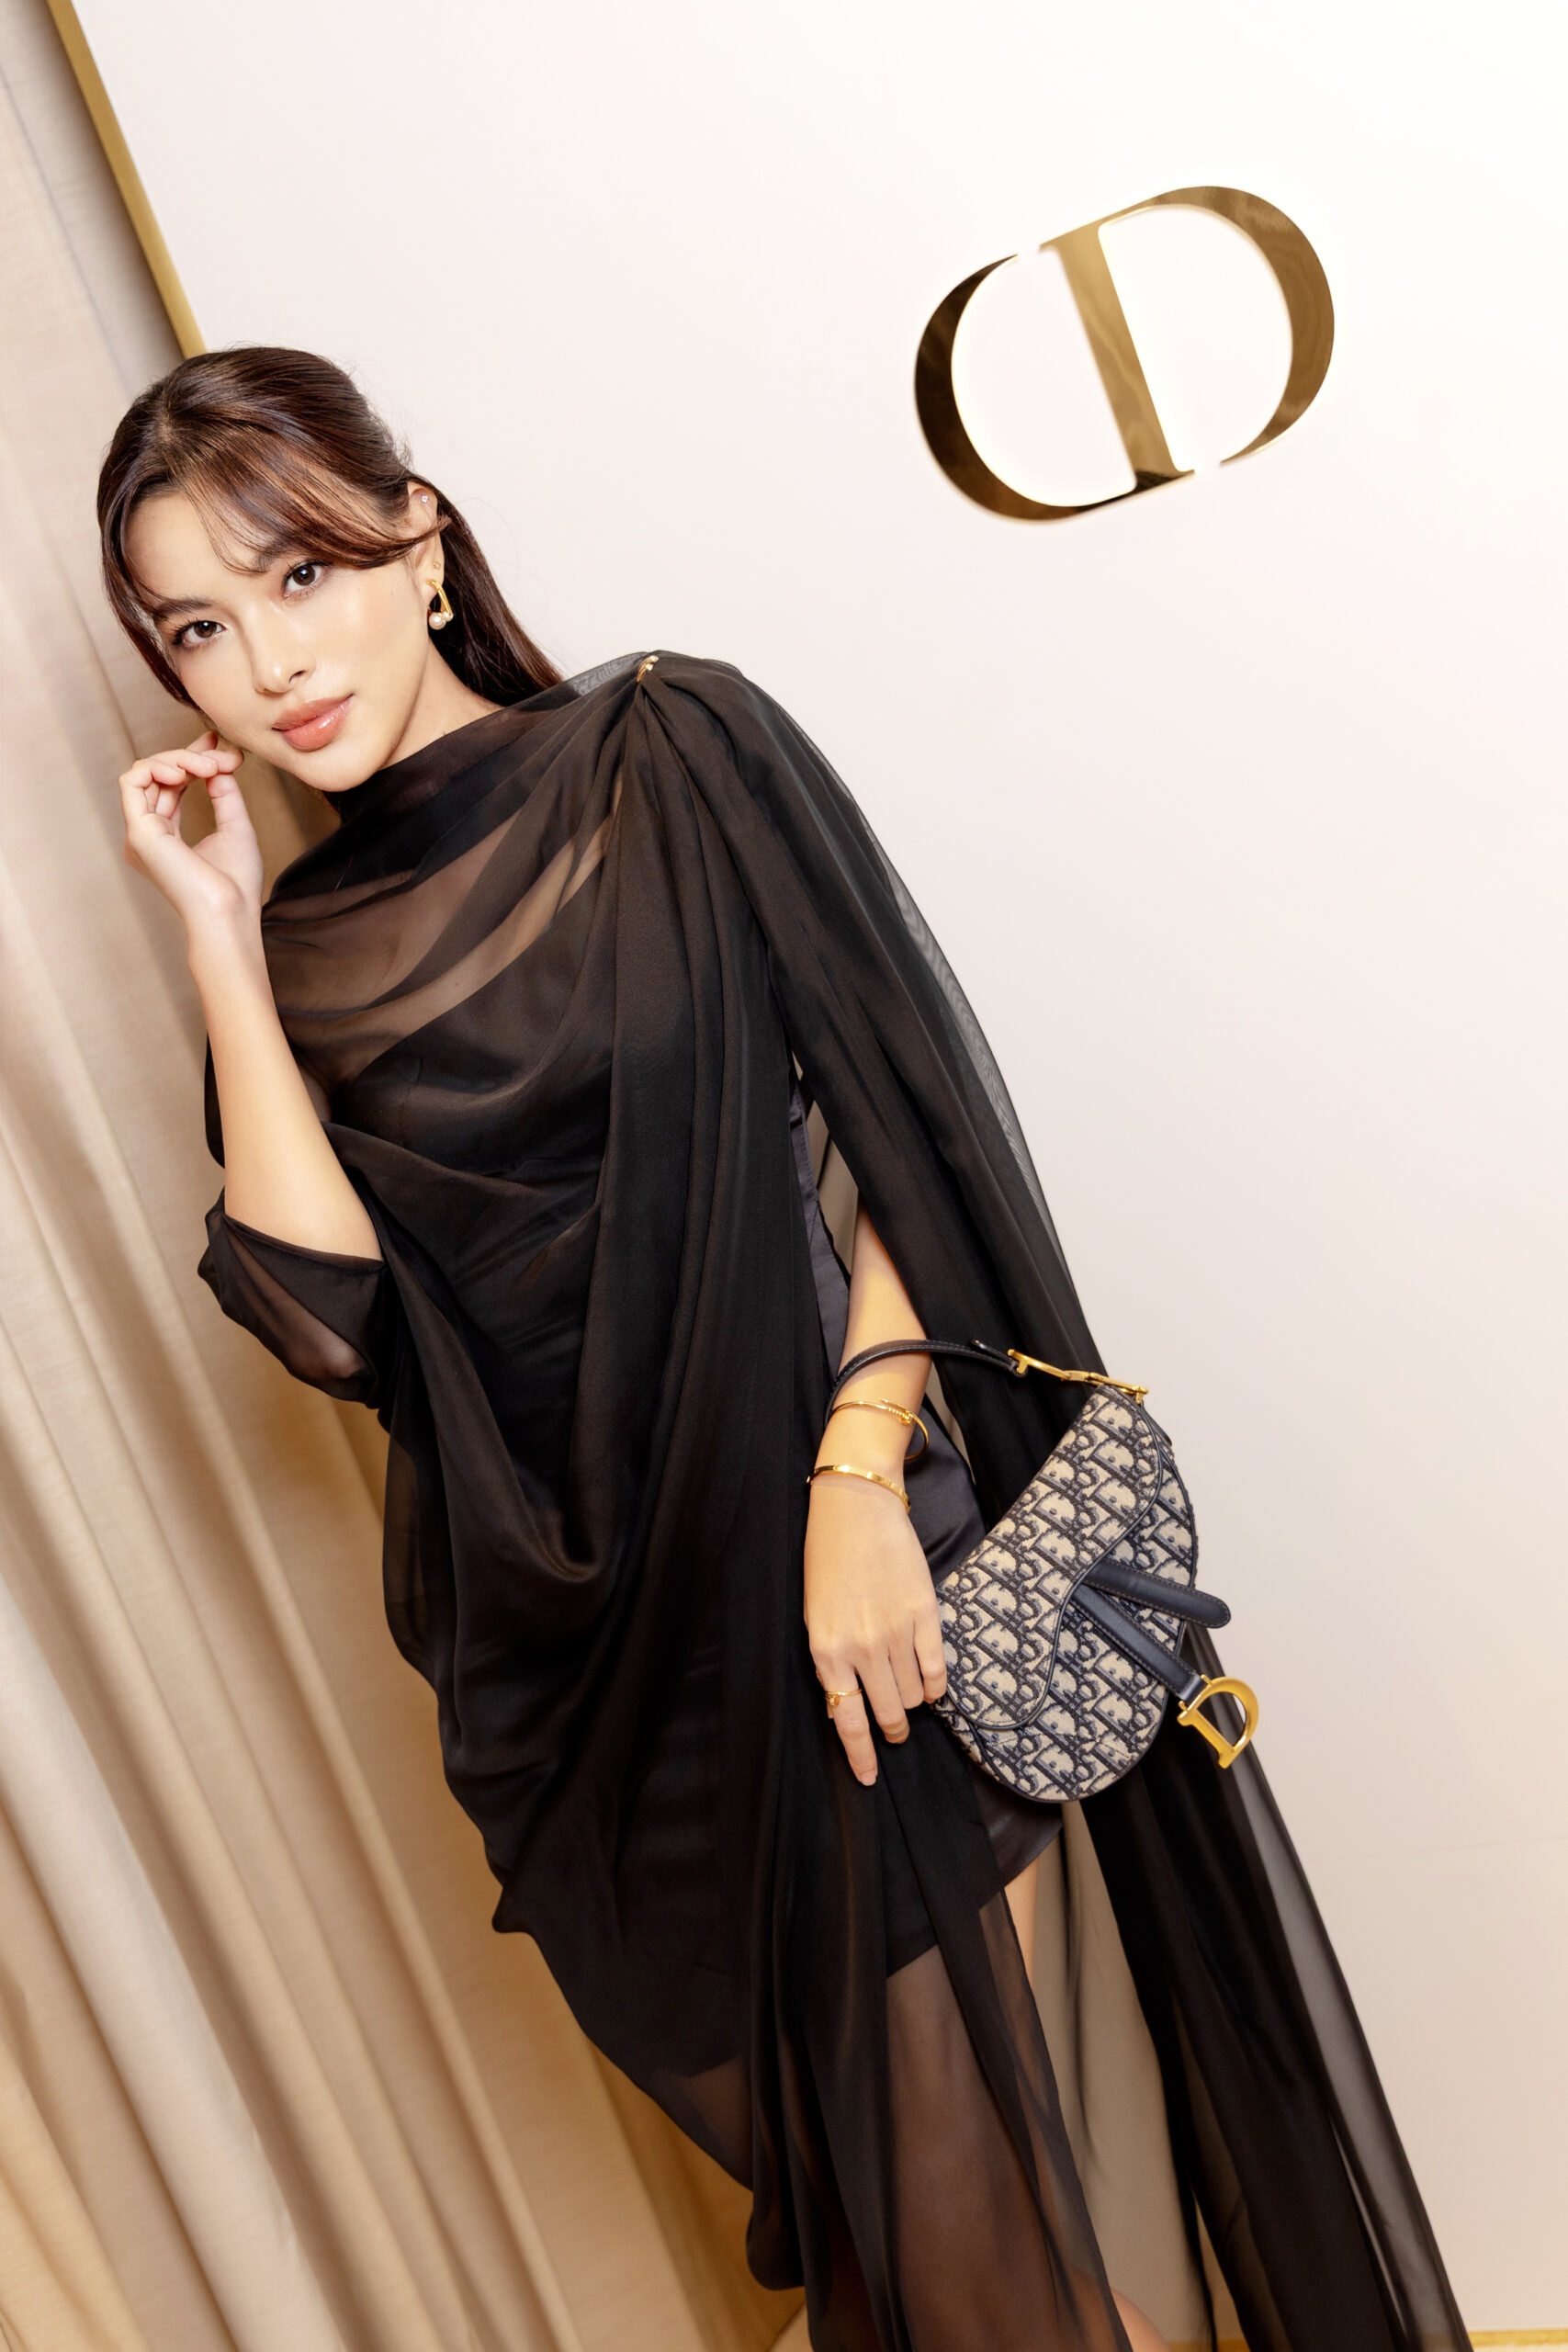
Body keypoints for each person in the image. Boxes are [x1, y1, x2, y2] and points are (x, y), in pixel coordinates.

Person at [98, 348, 1465, 2352]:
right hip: (587, 1702)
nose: (268, 662)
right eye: (198, 629)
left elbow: (905, 1130)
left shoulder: (671, 745)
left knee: (975, 2268)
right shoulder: (294, 949)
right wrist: (219, 934)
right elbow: (331, 1318)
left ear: (418, 538)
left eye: (298, 574)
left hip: (847, 1594)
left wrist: (859, 1481)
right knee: (944, 2280)